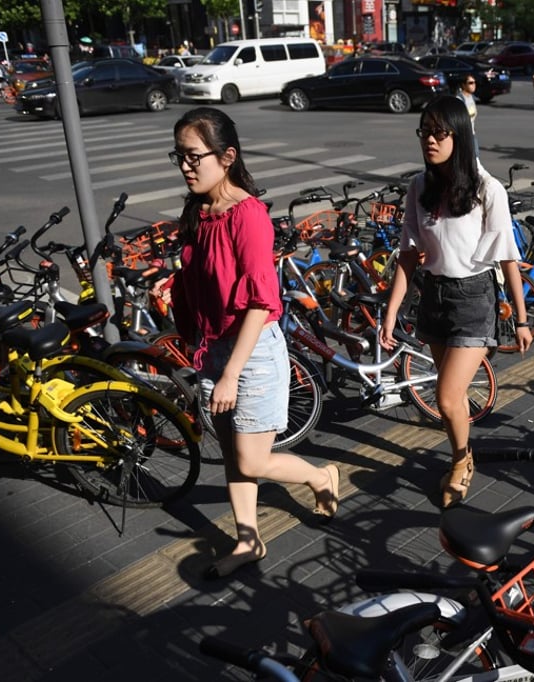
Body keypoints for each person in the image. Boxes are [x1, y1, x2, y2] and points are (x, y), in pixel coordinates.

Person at [167, 107, 340, 579]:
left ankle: (318, 476)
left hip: (253, 351)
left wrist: (228, 374)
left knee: (252, 457)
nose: (185, 166)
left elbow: (261, 303)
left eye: (193, 156)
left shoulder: (248, 217)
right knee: (232, 454)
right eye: (178, 156)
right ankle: (248, 541)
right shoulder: (199, 212)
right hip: (215, 347)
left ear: (227, 157)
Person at [379, 96, 533, 508]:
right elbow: (408, 256)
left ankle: (462, 461)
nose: (429, 140)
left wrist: (521, 318)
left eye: (438, 132)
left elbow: (507, 257)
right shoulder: (418, 186)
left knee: (446, 397)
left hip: (474, 298)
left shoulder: (488, 189)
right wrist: (391, 312)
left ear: (459, 136)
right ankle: (460, 453)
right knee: (455, 396)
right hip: (433, 296)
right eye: (424, 131)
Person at [456, 73, 479, 156]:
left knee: (475, 157)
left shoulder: (472, 97)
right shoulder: (459, 99)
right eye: (470, 83)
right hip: (463, 136)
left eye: (474, 82)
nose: (474, 85)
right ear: (463, 85)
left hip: (471, 133)